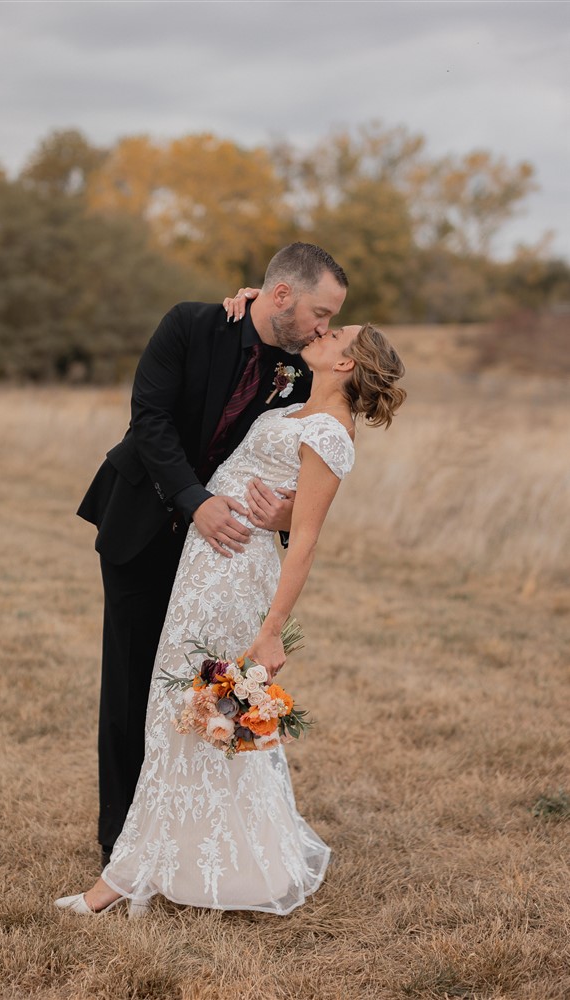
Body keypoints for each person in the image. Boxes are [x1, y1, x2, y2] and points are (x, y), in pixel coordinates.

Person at [56, 319, 406, 917]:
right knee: (181, 710)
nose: (323, 331)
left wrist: (271, 630)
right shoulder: (298, 399)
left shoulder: (330, 431)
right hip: (204, 565)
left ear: (346, 364)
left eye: (336, 333)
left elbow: (307, 539)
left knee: (195, 712)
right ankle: (169, 857)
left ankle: (127, 875)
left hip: (236, 578)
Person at [76, 244, 349, 865]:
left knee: (202, 687)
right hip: (144, 522)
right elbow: (150, 421)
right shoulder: (190, 324)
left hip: (223, 558)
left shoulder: (304, 370)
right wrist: (195, 500)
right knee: (131, 683)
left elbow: (301, 464)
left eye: (331, 319)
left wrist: (284, 514)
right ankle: (119, 843)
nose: (323, 328)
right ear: (280, 294)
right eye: (320, 312)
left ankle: (192, 831)